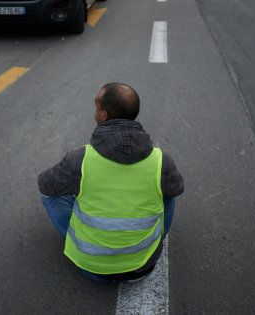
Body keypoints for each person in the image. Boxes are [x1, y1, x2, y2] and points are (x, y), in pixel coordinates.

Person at [38, 82, 184, 283]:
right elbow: (178, 188)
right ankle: (150, 242)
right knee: (168, 191)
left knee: (50, 193)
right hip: (143, 266)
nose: (95, 112)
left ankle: (82, 244)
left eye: (96, 106)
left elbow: (45, 185)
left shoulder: (80, 158)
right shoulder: (161, 160)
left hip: (92, 269)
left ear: (104, 115)